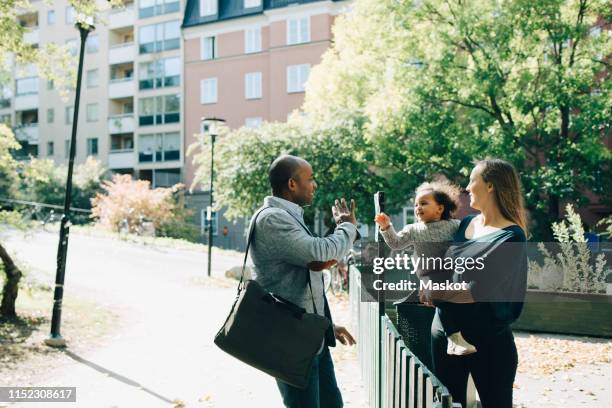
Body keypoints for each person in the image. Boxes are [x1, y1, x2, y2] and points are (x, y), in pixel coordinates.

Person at [249, 154, 357, 408]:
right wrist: (347, 227)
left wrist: (327, 325)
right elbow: (319, 253)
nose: (315, 184)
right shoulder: (272, 219)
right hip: (290, 341)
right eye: (310, 179)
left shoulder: (289, 215)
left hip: (310, 335)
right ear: (292, 184)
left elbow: (314, 265)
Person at [421, 158, 528, 408]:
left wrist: (433, 293)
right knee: (449, 405)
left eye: (472, 181)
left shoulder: (511, 237)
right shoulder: (467, 224)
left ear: (490, 186)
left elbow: (474, 292)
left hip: (488, 343)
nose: (467, 188)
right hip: (444, 334)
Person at [374, 181, 476, 355]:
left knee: (456, 296)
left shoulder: (454, 226)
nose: (418, 207)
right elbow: (396, 244)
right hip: (429, 274)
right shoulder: (413, 229)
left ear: (440, 208)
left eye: (423, 203)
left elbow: (468, 242)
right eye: (416, 204)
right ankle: (453, 337)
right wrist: (386, 227)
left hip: (451, 271)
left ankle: (461, 332)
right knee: (437, 293)